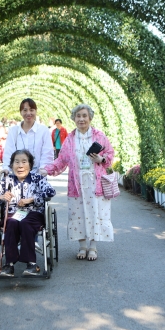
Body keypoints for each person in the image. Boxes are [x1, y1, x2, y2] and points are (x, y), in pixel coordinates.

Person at [45, 104, 114, 261]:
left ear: (90, 117)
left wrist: (101, 159)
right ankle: (82, 246)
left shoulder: (99, 136)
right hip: (76, 182)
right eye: (78, 116)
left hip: (95, 182)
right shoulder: (70, 139)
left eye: (84, 115)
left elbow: (110, 154)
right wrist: (46, 170)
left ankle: (93, 247)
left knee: (95, 212)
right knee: (78, 213)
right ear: (74, 119)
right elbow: (61, 160)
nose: (81, 119)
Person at [0, 149, 56, 277]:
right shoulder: (7, 180)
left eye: (24, 162)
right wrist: (1, 196)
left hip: (33, 213)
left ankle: (31, 264)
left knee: (25, 224)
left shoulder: (37, 178)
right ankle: (9, 265)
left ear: (30, 165)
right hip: (13, 213)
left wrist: (32, 199)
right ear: (12, 165)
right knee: (11, 224)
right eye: (16, 162)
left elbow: (51, 191)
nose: (20, 165)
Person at [0, 98, 53, 175]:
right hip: (18, 176)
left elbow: (47, 152)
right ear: (21, 112)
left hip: (38, 175)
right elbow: (9, 151)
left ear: (36, 111)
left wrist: (43, 168)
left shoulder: (43, 130)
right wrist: (6, 168)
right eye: (25, 110)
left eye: (31, 110)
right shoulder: (13, 131)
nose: (28, 113)